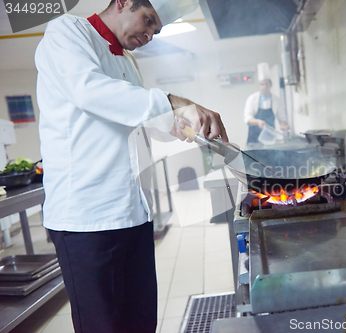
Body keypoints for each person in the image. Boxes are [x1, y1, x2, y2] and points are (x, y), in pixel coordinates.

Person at [34, 0, 227, 332]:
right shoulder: (67, 32)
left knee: (140, 322)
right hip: (88, 220)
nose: (150, 34)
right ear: (122, 2)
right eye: (148, 20)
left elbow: (135, 116)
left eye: (156, 30)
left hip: (133, 215)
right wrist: (175, 102)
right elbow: (91, 92)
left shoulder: (127, 61)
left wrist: (195, 131)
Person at [244, 78, 289, 143]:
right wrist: (258, 122)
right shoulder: (252, 98)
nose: (264, 87)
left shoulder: (277, 100)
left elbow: (282, 118)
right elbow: (248, 118)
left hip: (269, 136)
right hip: (253, 137)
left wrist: (283, 124)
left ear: (271, 85)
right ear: (259, 86)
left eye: (266, 84)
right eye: (262, 84)